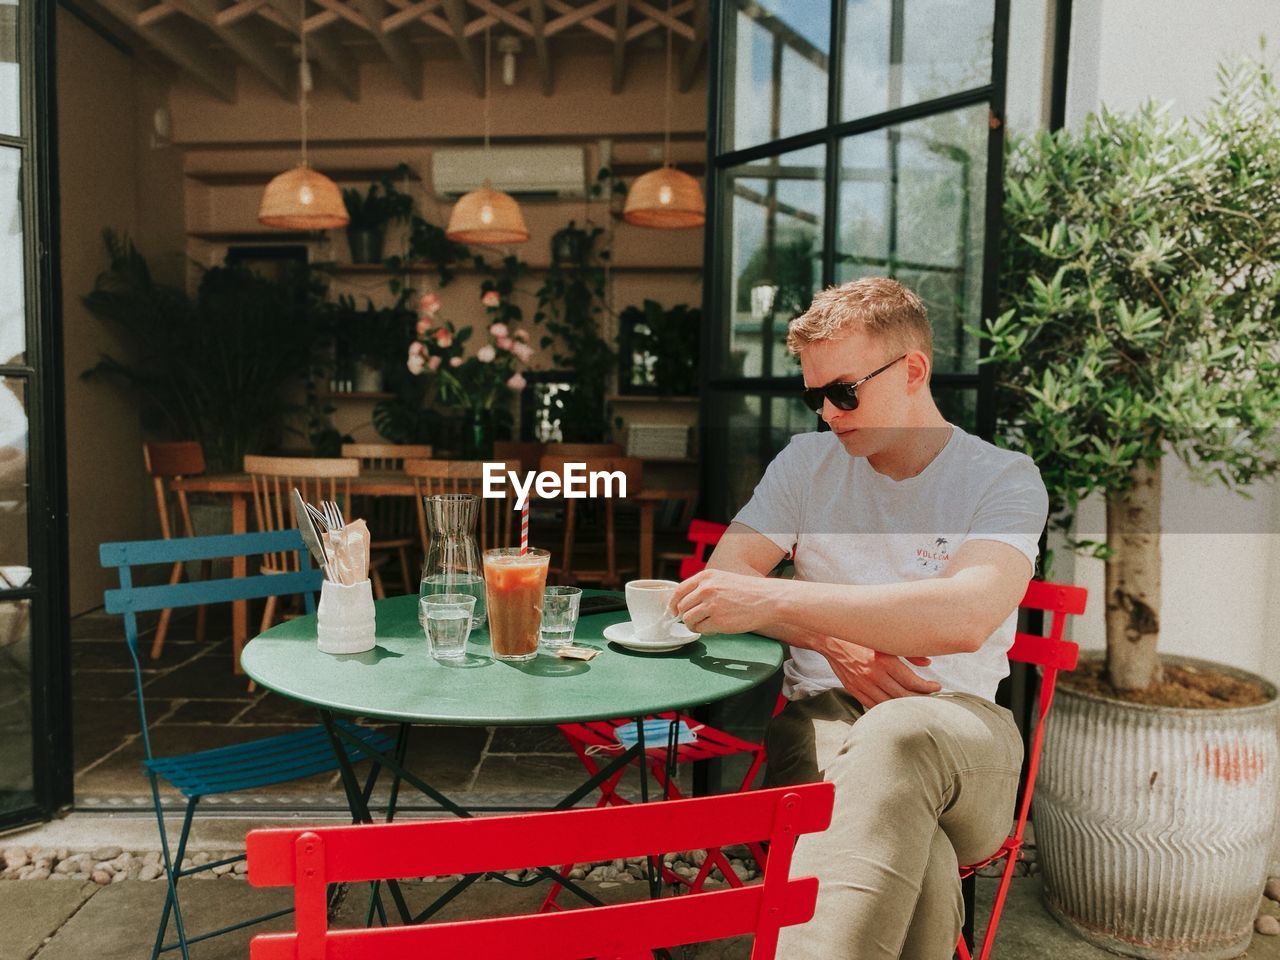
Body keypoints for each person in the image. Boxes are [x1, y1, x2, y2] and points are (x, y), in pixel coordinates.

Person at [672, 277, 1048, 960]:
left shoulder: (1002, 479)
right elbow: (718, 586)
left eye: (843, 392)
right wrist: (829, 637)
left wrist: (781, 602)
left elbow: (964, 614)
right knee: (919, 853)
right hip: (819, 720)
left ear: (912, 371)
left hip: (964, 733)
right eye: (814, 396)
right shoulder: (805, 467)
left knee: (900, 737)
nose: (827, 415)